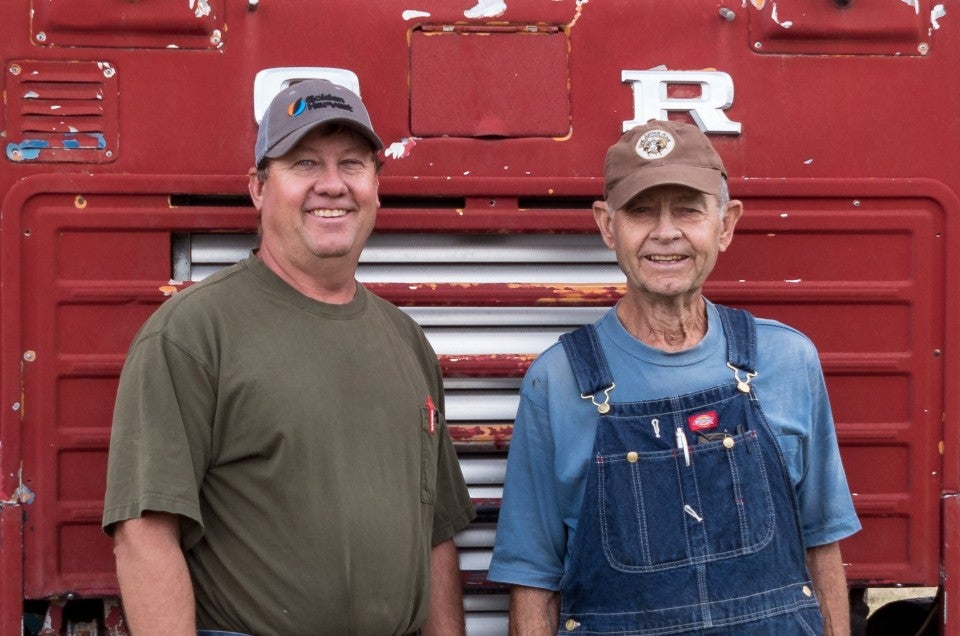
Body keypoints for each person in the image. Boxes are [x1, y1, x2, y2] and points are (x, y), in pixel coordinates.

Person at [102, 79, 476, 636]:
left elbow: (435, 534)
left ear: (376, 183)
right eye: (304, 163)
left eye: (351, 163)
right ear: (257, 188)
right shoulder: (192, 334)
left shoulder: (405, 339)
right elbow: (144, 533)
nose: (332, 186)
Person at [487, 120, 860, 635]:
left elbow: (822, 545)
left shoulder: (788, 360)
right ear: (607, 226)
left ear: (725, 224)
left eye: (687, 208)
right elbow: (533, 580)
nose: (666, 232)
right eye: (641, 211)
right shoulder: (558, 383)